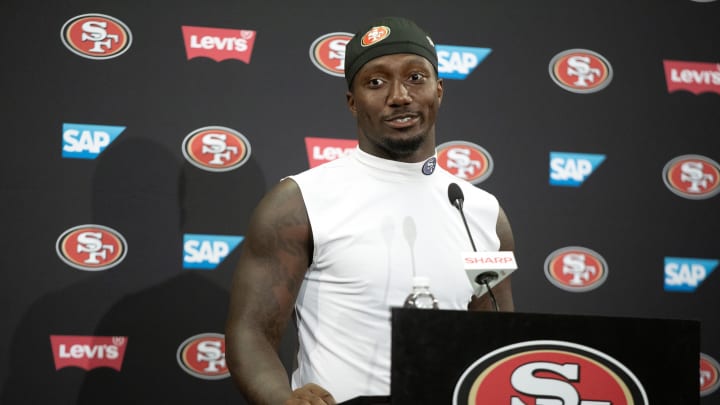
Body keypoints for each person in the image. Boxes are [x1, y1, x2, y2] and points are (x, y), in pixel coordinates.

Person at [225, 16, 515, 405]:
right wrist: (282, 400)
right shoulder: (300, 201)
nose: (399, 95)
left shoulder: (482, 213)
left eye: (416, 77)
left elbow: (497, 348)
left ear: (439, 91)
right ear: (352, 101)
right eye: (375, 82)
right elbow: (251, 333)